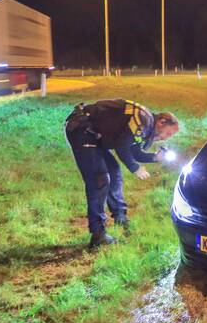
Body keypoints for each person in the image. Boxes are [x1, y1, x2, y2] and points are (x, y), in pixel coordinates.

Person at [65, 99, 180, 248]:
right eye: (168, 133)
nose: (165, 137)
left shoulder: (147, 128)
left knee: (114, 172)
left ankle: (120, 217)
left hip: (94, 135)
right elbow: (121, 146)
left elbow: (135, 152)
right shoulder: (143, 120)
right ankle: (98, 234)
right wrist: (135, 168)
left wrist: (154, 157)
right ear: (162, 122)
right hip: (82, 128)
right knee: (99, 179)